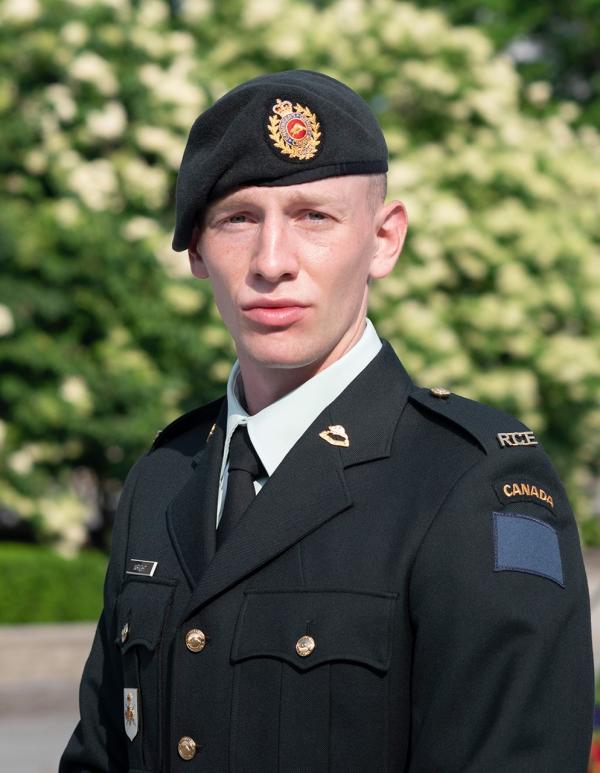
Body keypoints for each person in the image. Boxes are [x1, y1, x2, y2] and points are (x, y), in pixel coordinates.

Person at [60, 70, 594, 773]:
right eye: (237, 219)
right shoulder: (165, 478)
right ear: (195, 251)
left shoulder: (469, 483)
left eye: (314, 216)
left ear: (384, 239)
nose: (272, 262)